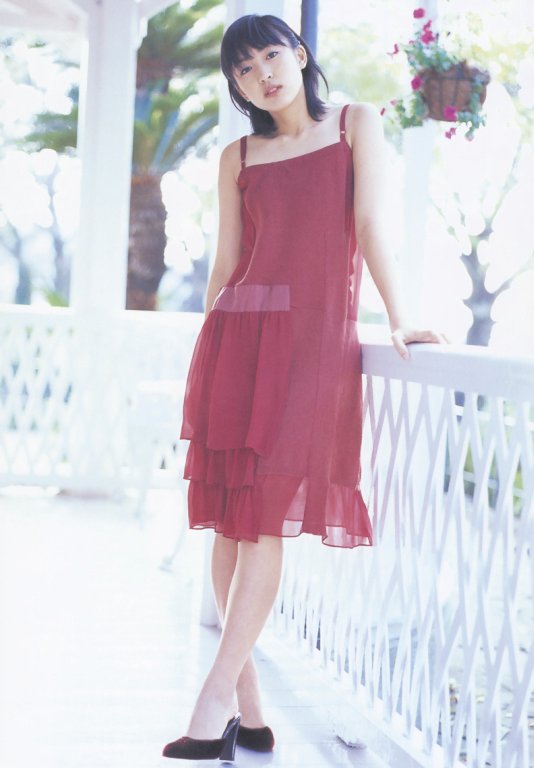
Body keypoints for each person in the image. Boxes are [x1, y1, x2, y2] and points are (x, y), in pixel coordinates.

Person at [162, 13, 447, 761]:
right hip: (237, 339)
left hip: (312, 348)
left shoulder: (356, 124)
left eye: (271, 54)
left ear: (300, 54)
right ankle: (250, 710)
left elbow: (371, 226)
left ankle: (211, 700)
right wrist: (208, 351)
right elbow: (227, 265)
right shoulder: (237, 156)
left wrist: (401, 317)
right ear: (236, 84)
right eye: (244, 67)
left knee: (262, 521)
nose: (263, 73)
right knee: (230, 522)